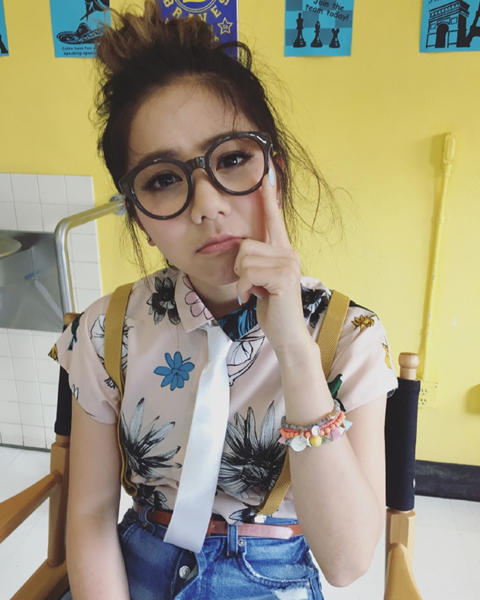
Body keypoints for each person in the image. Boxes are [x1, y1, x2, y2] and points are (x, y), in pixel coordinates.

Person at [51, 2, 398, 598]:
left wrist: (294, 347)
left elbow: (345, 563)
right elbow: (89, 513)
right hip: (134, 571)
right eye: (163, 179)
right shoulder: (108, 331)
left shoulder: (349, 335)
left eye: (233, 159)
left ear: (275, 173)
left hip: (271, 575)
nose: (207, 204)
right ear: (138, 215)